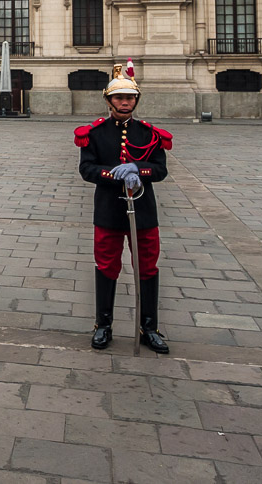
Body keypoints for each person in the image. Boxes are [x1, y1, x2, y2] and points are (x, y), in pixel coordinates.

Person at [74, 61, 173, 354]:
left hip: (143, 212)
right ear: (109, 101)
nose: (125, 102)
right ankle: (103, 325)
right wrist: (112, 174)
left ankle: (149, 328)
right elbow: (87, 169)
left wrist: (138, 169)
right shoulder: (93, 133)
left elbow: (160, 169)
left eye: (130, 97)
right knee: (107, 266)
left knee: (147, 266)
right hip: (108, 210)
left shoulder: (150, 134)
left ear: (136, 101)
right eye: (119, 97)